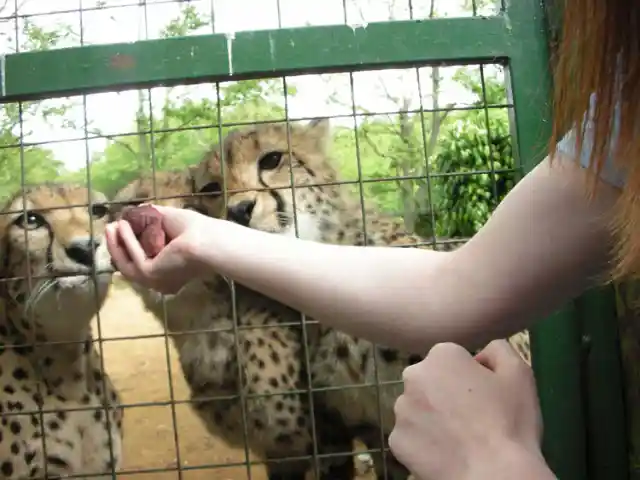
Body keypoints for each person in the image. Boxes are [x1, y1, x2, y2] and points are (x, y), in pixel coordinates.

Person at [105, 2, 639, 477]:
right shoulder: (623, 115)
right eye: (218, 192)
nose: (240, 200)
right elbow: (452, 289)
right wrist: (206, 240)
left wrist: (494, 462)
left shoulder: (379, 245)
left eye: (271, 164)